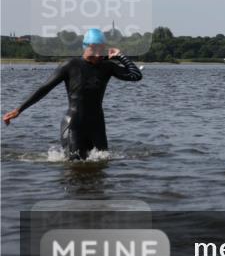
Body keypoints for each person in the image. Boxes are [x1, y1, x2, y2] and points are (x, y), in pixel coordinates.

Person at [2, 28, 142, 159]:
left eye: (101, 49)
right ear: (85, 46)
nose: (98, 54)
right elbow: (44, 88)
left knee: (102, 164)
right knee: (74, 167)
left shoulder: (107, 67)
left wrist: (120, 56)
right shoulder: (71, 65)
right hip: (74, 125)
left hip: (97, 126)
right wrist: (19, 110)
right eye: (94, 48)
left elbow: (136, 75)